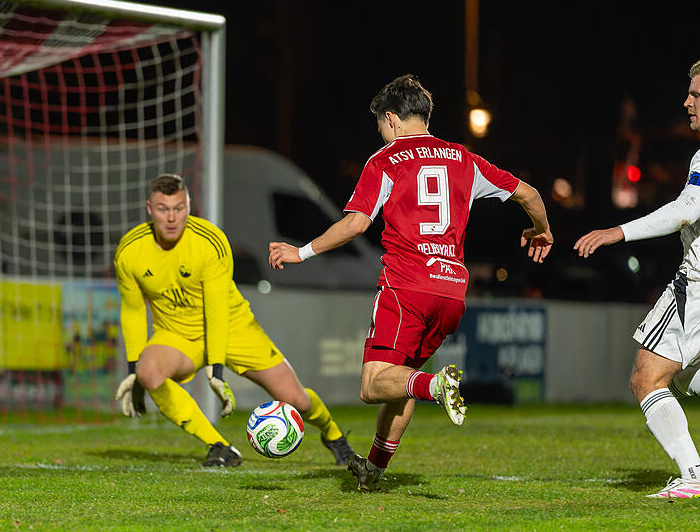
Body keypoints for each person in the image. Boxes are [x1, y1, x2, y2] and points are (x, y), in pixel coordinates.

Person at [269, 74, 553, 490]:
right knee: (399, 382)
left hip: (407, 287)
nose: (381, 135)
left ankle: (436, 385)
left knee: (372, 385)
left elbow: (355, 224)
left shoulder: (384, 160)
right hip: (452, 293)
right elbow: (528, 194)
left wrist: (302, 252)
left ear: (391, 119)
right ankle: (375, 470)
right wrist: (541, 230)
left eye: (380, 126)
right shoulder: (465, 159)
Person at [113, 173, 354, 467]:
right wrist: (133, 368)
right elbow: (134, 310)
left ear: (189, 205)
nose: (172, 217)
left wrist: (216, 368)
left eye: (179, 208)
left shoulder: (209, 242)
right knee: (149, 370)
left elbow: (216, 309)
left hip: (232, 328)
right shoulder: (130, 251)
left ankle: (334, 436)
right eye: (163, 209)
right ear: (150, 209)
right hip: (178, 337)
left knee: (297, 401)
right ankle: (219, 447)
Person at [574, 59, 700, 499]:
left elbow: (685, 210)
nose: (687, 101)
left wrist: (617, 231)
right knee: (685, 377)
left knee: (647, 378)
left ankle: (694, 476)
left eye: (697, 95)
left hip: (697, 289)